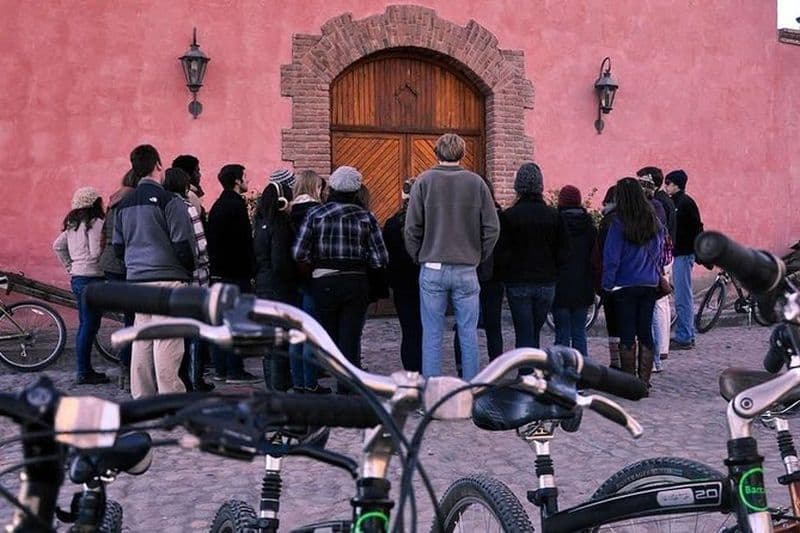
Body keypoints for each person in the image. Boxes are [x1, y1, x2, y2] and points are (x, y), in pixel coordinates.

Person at [404, 134, 499, 380]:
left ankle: (432, 396)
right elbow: (492, 228)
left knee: (432, 334)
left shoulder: (424, 181)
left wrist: (417, 255)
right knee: (468, 333)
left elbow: (412, 227)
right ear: (462, 153)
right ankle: (470, 392)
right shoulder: (476, 183)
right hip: (467, 267)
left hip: (432, 266)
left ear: (436, 152)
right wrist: (478, 254)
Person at [293, 166, 389, 393]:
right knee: (351, 337)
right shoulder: (366, 217)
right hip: (356, 282)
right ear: (356, 191)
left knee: (329, 337)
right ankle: (347, 388)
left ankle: (326, 377)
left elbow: (299, 252)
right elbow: (380, 257)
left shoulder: (315, 215)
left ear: (333, 187)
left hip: (323, 282)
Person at [112, 144, 195, 398]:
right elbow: (183, 243)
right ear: (159, 165)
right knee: (168, 341)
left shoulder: (123, 204)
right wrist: (187, 270)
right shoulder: (170, 201)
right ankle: (170, 397)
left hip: (137, 280)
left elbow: (117, 246)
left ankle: (142, 397)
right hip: (168, 278)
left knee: (143, 340)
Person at [602, 177, 667, 391]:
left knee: (627, 331)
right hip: (648, 283)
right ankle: (644, 381)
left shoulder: (618, 223)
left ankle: (630, 383)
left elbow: (612, 258)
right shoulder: (653, 221)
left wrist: (607, 284)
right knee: (645, 331)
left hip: (624, 284)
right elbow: (659, 253)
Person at [501, 162, 569, 354]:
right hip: (546, 282)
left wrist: (506, 272)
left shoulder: (509, 216)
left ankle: (526, 373)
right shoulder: (554, 216)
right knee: (534, 332)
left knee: (523, 332)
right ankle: (531, 370)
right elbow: (564, 250)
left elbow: (502, 251)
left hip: (518, 282)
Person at [205, 163, 261, 384]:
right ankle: (235, 371)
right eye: (245, 176)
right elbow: (244, 242)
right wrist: (251, 269)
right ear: (237, 181)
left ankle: (221, 369)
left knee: (222, 324)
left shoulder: (218, 204)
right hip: (236, 274)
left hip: (219, 272)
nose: (248, 180)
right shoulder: (236, 205)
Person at [53, 187, 110, 385]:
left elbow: (57, 246)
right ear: (95, 203)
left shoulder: (72, 224)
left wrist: (71, 265)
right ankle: (84, 372)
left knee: (84, 324)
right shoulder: (96, 223)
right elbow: (95, 252)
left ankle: (84, 369)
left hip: (77, 278)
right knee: (90, 325)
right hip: (93, 278)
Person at [163, 167, 214, 392]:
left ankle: (178, 379)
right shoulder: (187, 208)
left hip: (168, 273)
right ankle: (193, 380)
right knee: (194, 333)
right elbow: (200, 244)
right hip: (194, 277)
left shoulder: (159, 206)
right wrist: (204, 264)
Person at [453, 176, 506, 373]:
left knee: (464, 325)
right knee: (493, 327)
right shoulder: (499, 216)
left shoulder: (461, 217)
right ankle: (496, 369)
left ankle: (463, 368)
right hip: (494, 278)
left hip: (467, 274)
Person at [253, 177, 297, 391]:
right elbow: (280, 262)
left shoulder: (259, 223)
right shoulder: (279, 226)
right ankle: (279, 388)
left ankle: (273, 386)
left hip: (262, 284)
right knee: (279, 341)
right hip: (278, 288)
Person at [288, 170, 329, 393]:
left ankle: (298, 381)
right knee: (312, 331)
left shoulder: (287, 210)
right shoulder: (318, 212)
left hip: (291, 278)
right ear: (317, 188)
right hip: (312, 276)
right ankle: (311, 382)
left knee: (296, 331)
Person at [98, 169, 138, 389]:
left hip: (110, 265)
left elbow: (104, 234)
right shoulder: (133, 200)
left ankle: (127, 370)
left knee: (128, 319)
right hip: (125, 265)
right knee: (133, 320)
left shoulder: (114, 200)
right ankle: (129, 369)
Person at [551, 185, 597, 358]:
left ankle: (561, 375)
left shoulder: (555, 224)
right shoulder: (589, 227)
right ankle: (581, 374)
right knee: (579, 333)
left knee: (561, 334)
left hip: (560, 286)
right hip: (583, 285)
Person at [383, 178, 422, 372]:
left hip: (401, 284)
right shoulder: (428, 221)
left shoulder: (391, 223)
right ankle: (425, 372)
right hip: (424, 281)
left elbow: (386, 255)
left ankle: (410, 373)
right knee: (426, 331)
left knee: (408, 331)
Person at [637, 166, 675, 367]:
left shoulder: (656, 207)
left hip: (654, 264)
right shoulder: (661, 205)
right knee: (656, 308)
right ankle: (659, 354)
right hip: (658, 262)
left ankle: (657, 356)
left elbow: (658, 238)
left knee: (654, 309)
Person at [664, 169, 703, 351]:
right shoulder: (674, 202)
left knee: (683, 296)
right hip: (678, 253)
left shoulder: (686, 203)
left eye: (669, 183)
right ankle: (687, 333)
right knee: (681, 295)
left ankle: (684, 336)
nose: (666, 186)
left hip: (684, 253)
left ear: (677, 185)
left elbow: (697, 228)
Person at [592, 185, 620, 368]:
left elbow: (601, 252)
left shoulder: (608, 221)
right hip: (630, 278)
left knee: (613, 322)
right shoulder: (631, 219)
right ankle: (628, 363)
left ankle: (616, 362)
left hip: (611, 278)